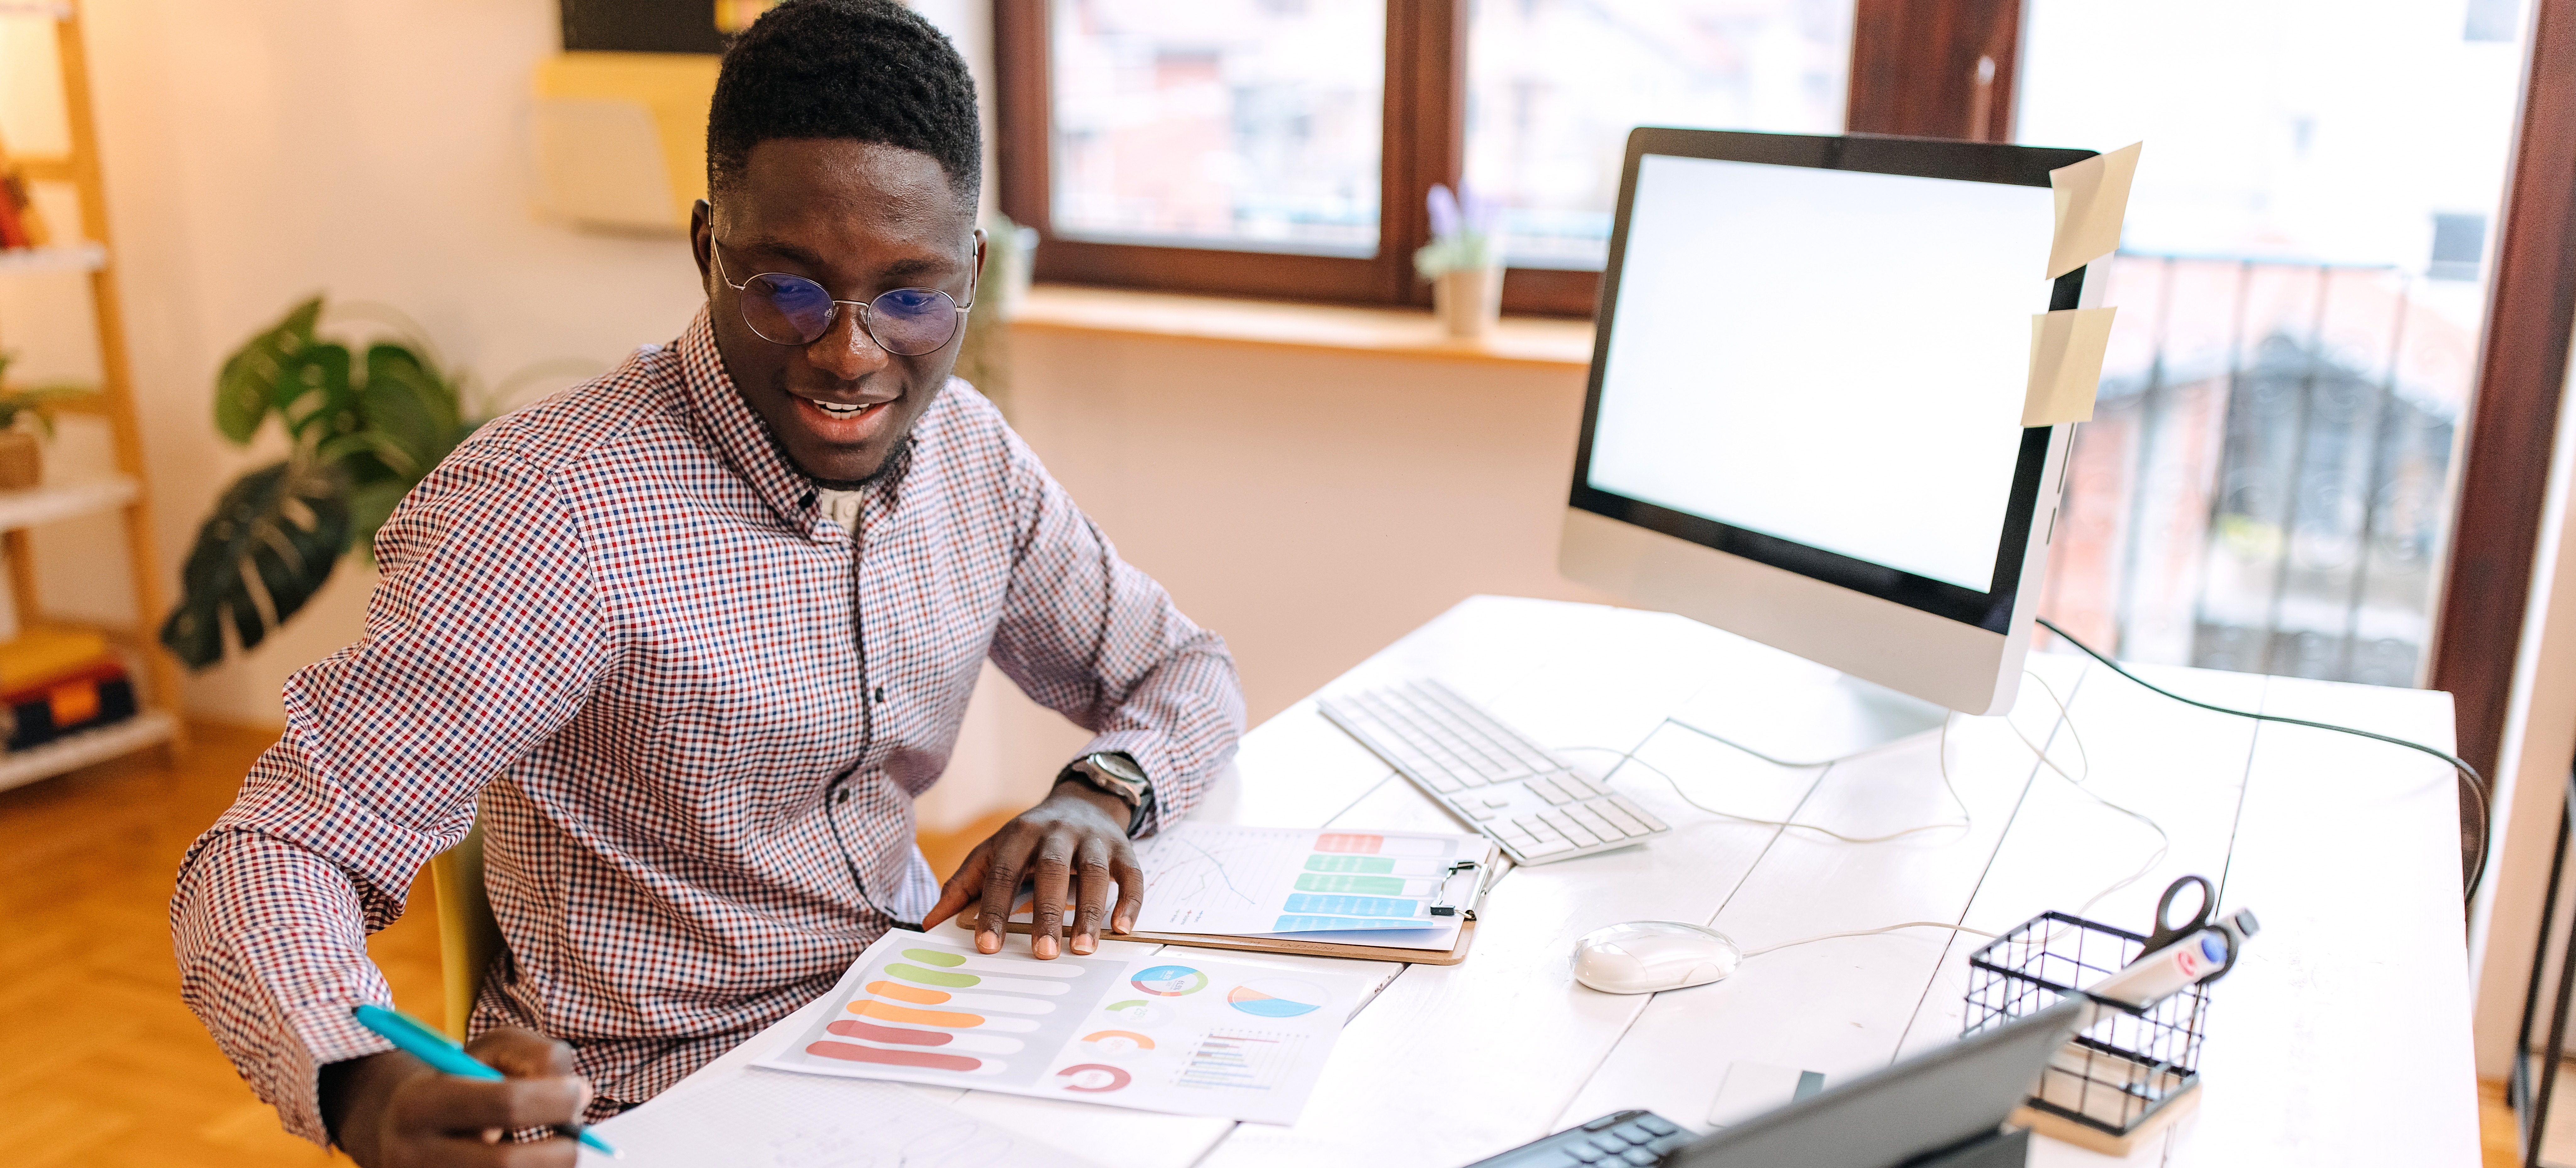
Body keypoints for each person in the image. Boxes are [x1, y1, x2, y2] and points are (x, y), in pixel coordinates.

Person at [168, 3, 1245, 1163]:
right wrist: (361, 1085)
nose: (850, 352)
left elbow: (1180, 670)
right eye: (788, 289)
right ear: (706, 250)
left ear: (970, 273)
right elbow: (277, 852)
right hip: (664, 1109)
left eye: (911, 296)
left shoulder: (969, 454)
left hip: (917, 1026)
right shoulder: (550, 513)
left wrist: (1099, 790)